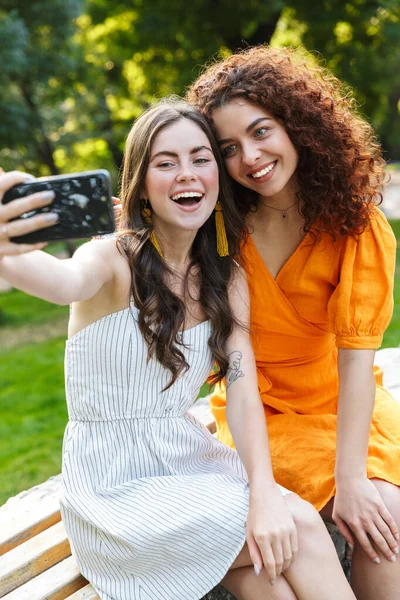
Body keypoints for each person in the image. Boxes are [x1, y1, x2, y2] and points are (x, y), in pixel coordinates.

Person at [0, 100, 356, 600]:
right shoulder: (111, 260)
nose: (186, 174)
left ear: (217, 172)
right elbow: (62, 282)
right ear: (141, 182)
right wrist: (7, 252)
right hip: (112, 492)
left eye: (200, 157)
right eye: (165, 163)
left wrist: (262, 495)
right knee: (299, 526)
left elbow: (243, 392)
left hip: (187, 464)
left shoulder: (226, 278)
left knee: (268, 579)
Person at [187, 46, 400, 600]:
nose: (250, 157)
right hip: (264, 409)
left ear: (297, 125)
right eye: (228, 148)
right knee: (369, 518)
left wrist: (353, 478)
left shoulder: (355, 223)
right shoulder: (221, 231)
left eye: (261, 132)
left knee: (384, 512)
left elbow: (358, 361)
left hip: (343, 398)